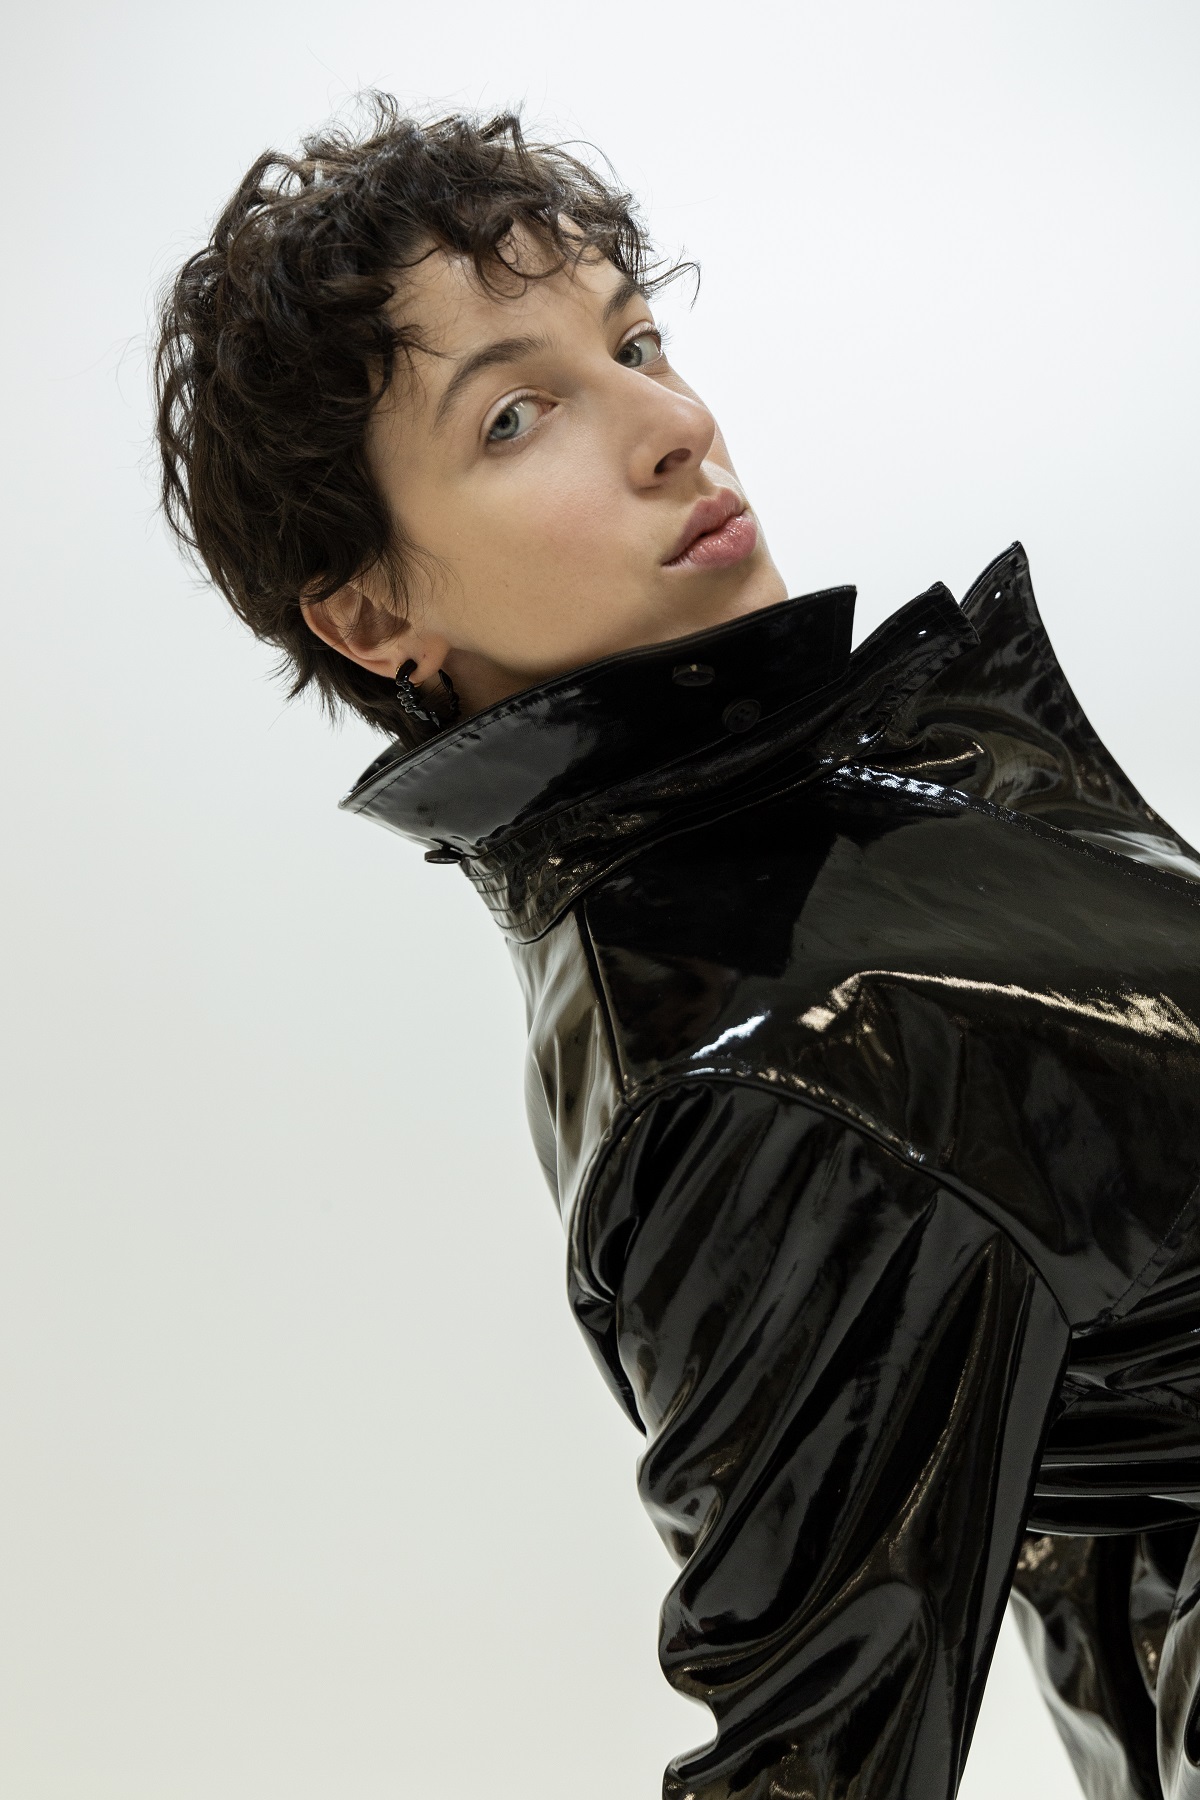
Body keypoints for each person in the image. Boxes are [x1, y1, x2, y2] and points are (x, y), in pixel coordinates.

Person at [153, 91, 1200, 1800]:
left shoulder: (815, 866)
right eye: (516, 416)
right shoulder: (762, 1057)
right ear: (371, 613)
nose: (672, 426)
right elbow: (813, 1760)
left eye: (635, 342)